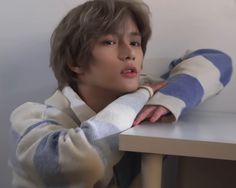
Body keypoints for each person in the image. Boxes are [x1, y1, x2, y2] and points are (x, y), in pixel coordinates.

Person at [9, 0, 233, 187]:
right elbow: (84, 162)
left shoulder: (154, 100)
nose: (129, 53)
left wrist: (167, 101)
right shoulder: (32, 118)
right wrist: (140, 95)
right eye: (109, 41)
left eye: (135, 42)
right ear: (75, 61)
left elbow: (218, 62)